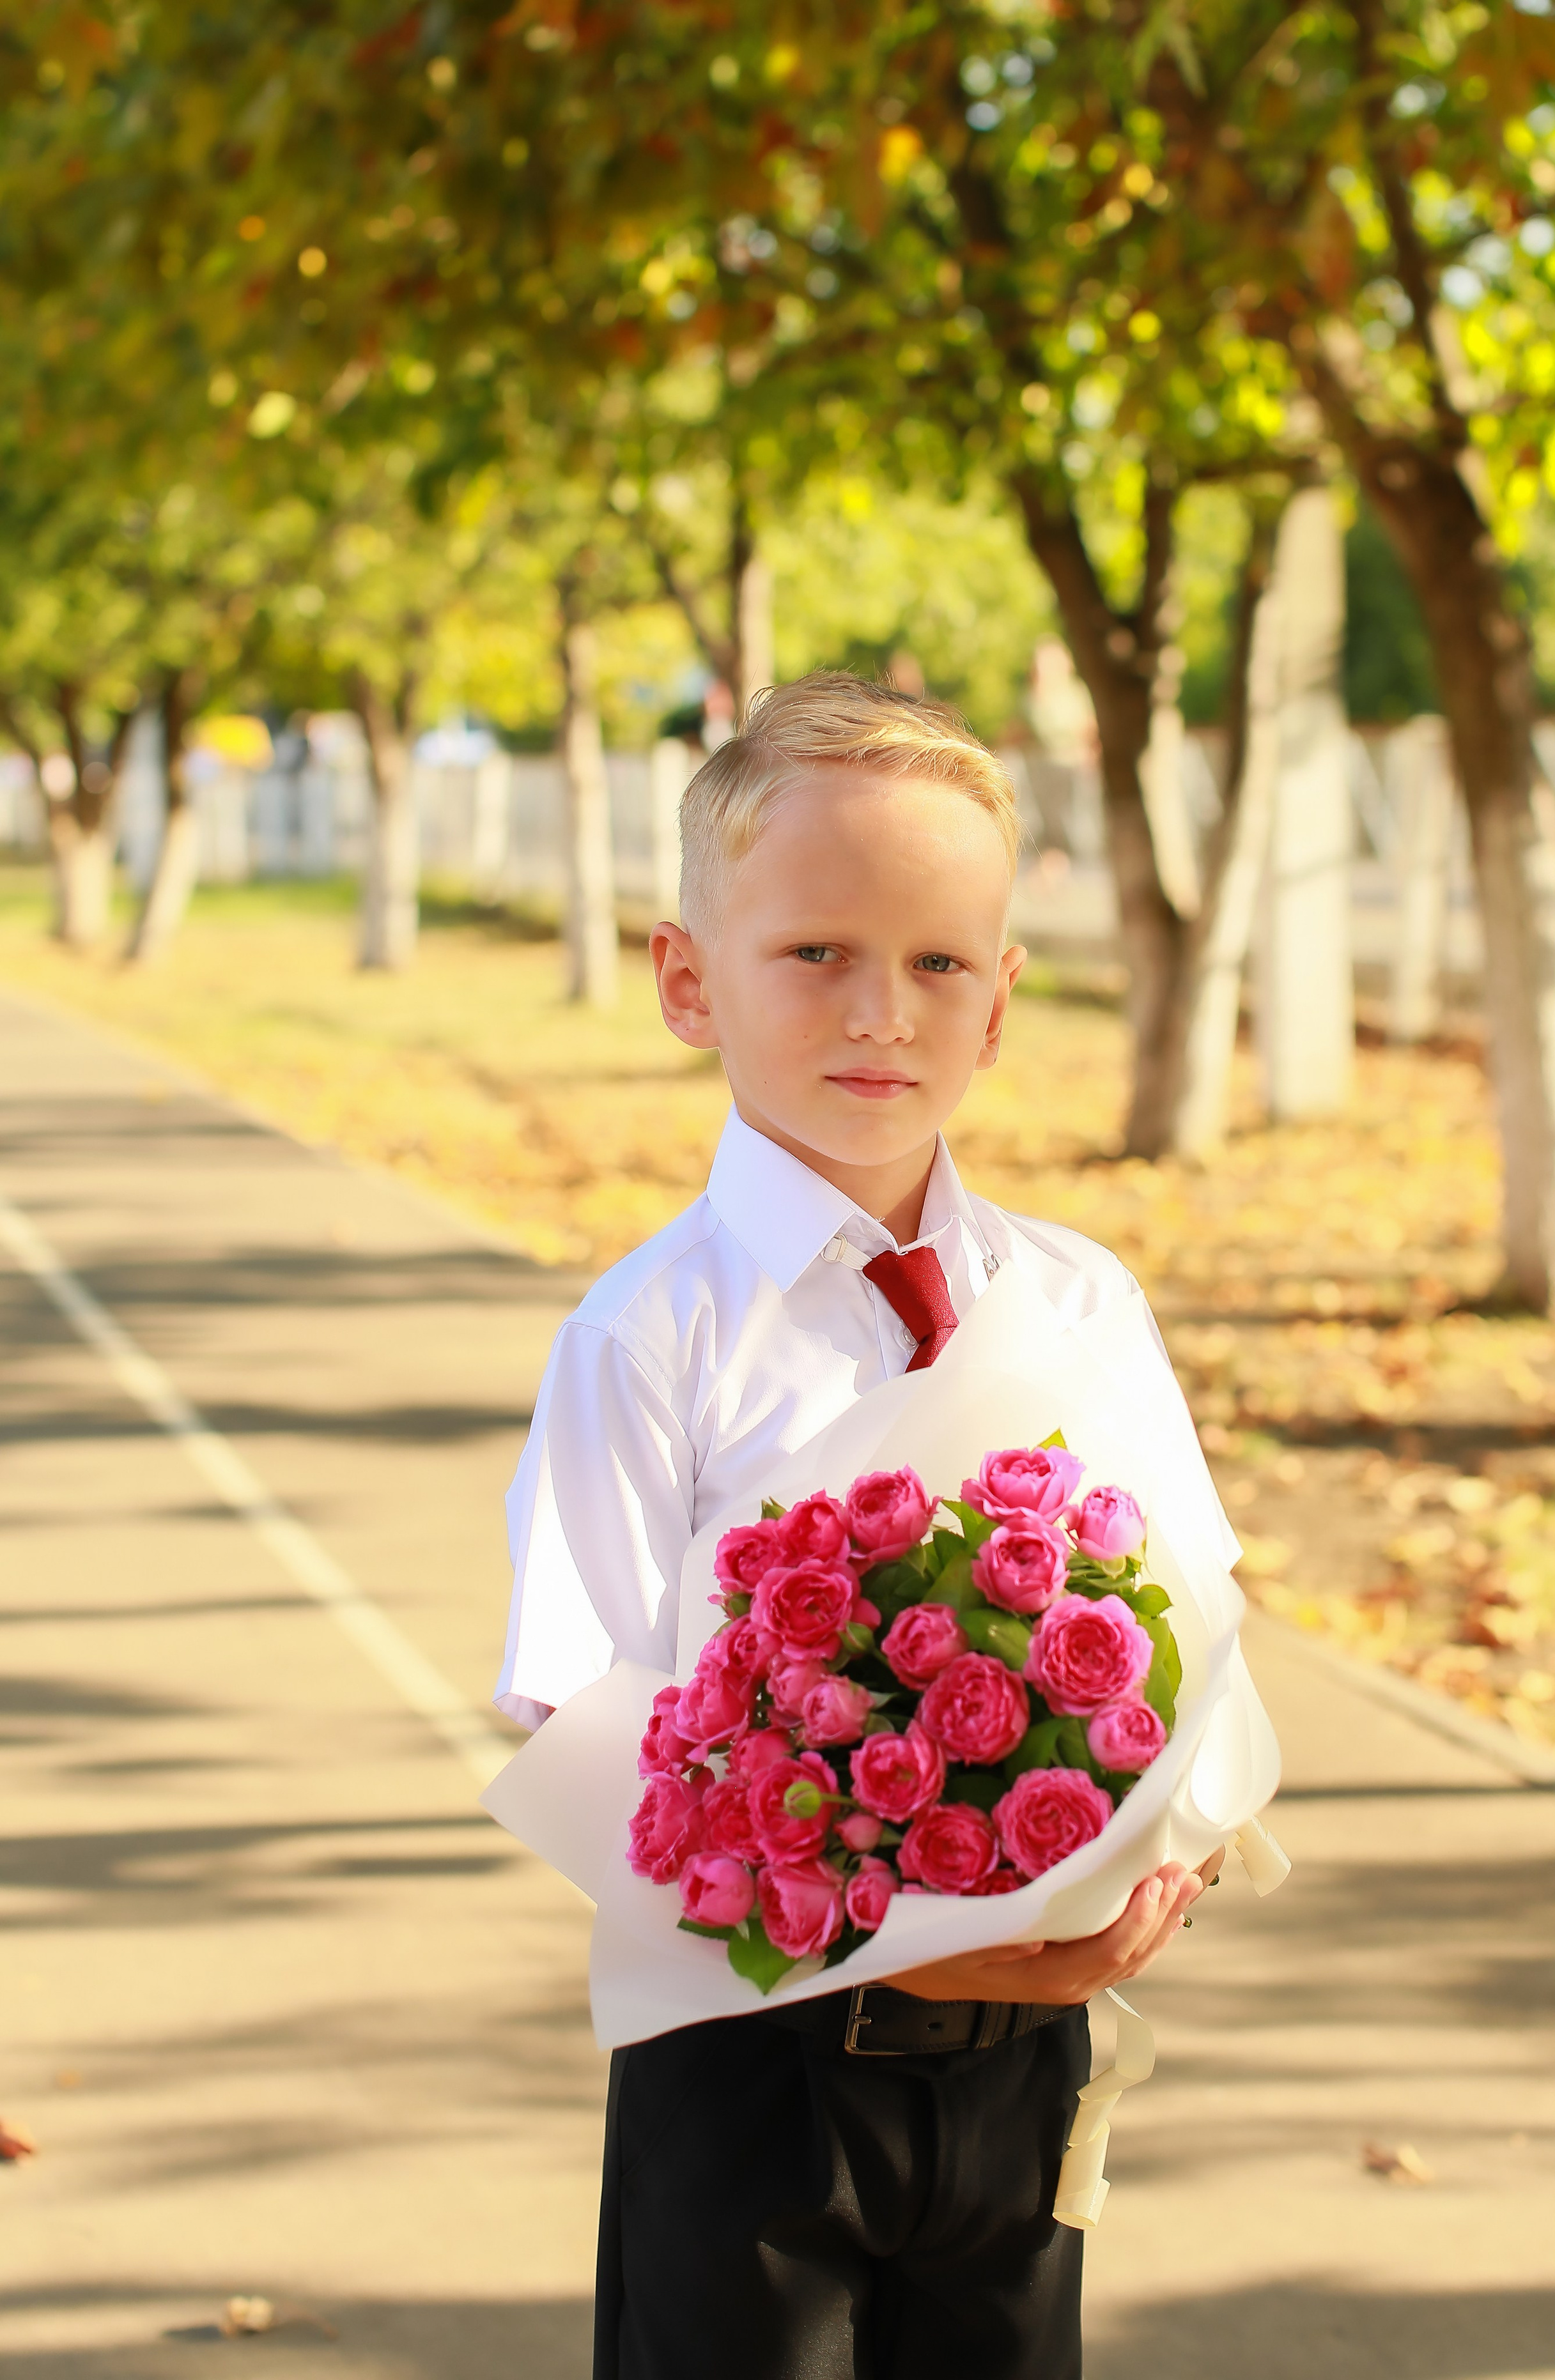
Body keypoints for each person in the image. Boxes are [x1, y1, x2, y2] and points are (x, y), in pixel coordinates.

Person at [495, 673, 1233, 2380]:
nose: (881, 1014)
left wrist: (1154, 1863)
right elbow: (580, 1720)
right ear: (690, 980)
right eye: (817, 952)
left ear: (1003, 1001)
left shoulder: (1076, 1302)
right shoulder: (651, 1336)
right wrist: (889, 1932)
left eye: (939, 963)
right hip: (749, 2067)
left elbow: (1191, 1626)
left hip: (1022, 2067)